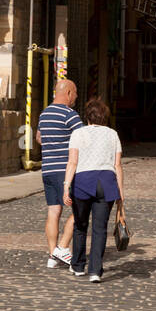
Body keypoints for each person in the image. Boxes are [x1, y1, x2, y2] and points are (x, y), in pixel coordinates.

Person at [63, 96, 124, 283]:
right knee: (100, 228)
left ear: (87, 116)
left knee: (80, 225)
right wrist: (121, 194)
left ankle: (78, 265)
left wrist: (66, 186)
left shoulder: (78, 134)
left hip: (83, 181)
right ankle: (95, 271)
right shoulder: (113, 134)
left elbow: (72, 162)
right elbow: (117, 165)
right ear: (104, 116)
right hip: (106, 183)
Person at [36, 78, 82, 268]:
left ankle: (52, 256)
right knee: (80, 209)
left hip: (47, 169)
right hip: (65, 171)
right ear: (69, 93)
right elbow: (83, 139)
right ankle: (62, 247)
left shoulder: (44, 114)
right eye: (75, 93)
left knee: (53, 212)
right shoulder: (70, 114)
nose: (76, 97)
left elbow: (39, 138)